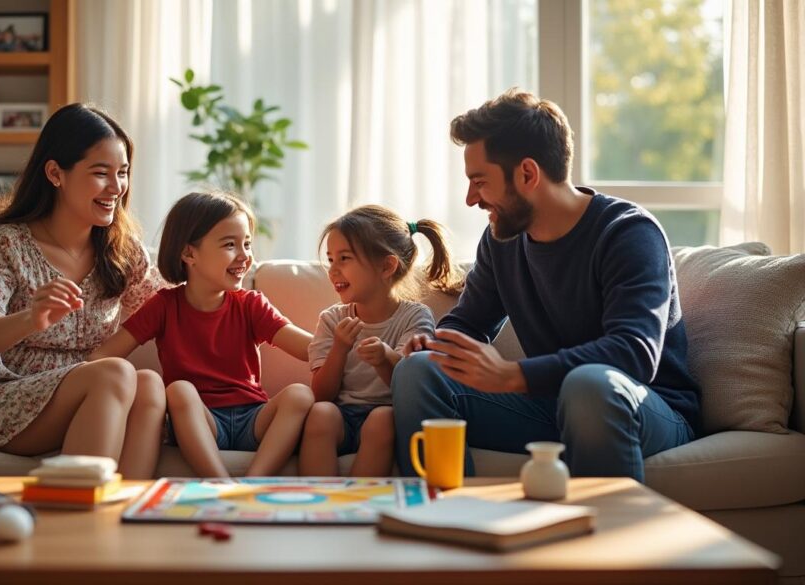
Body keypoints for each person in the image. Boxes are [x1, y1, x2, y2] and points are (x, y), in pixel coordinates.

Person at [391, 89, 701, 482]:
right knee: (419, 370)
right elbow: (469, 322)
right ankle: (444, 521)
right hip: (549, 407)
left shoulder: (627, 233)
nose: (471, 199)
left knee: (589, 384)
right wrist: (438, 343)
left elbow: (633, 352)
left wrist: (514, 375)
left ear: (527, 174)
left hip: (641, 408)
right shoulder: (501, 240)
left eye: (479, 182)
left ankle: (604, 539)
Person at [0, 104, 167, 479]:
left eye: (122, 173)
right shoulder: (6, 243)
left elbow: (171, 306)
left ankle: (126, 514)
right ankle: (73, 518)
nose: (116, 188)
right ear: (55, 173)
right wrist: (31, 318)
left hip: (86, 395)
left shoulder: (122, 251)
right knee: (115, 373)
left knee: (149, 385)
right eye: (100, 173)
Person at [91, 192, 315, 477]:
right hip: (201, 420)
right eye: (230, 245)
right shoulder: (164, 305)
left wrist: (346, 337)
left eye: (247, 243)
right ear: (189, 253)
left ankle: (253, 481)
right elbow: (103, 356)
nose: (245, 255)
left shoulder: (251, 304)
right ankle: (219, 483)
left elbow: (309, 348)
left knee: (300, 395)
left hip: (254, 417)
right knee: (180, 391)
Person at [298, 205, 459, 477]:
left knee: (382, 419)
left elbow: (411, 382)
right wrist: (339, 349)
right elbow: (321, 394)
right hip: (341, 415)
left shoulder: (415, 317)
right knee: (321, 413)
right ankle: (322, 503)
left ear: (387, 266)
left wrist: (385, 358)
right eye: (330, 260)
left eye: (344, 258)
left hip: (388, 414)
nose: (333, 270)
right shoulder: (332, 319)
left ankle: (360, 504)